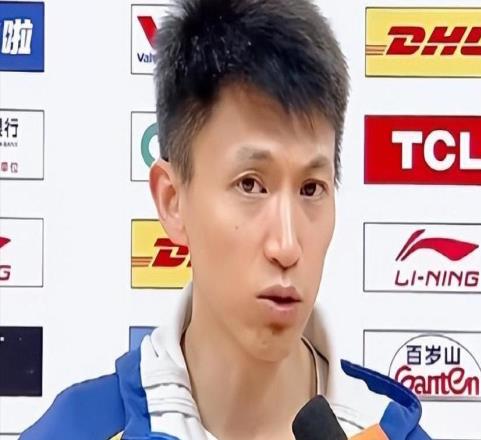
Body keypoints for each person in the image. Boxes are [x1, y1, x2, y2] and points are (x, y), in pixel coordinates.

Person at [20, 0, 431, 438]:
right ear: (173, 200)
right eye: (250, 184)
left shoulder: (387, 431)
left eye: (311, 189)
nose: (287, 246)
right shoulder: (78, 430)